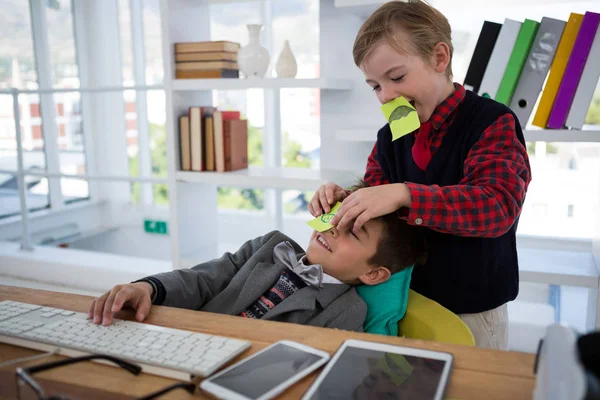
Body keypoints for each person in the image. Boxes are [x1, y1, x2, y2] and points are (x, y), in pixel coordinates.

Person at [309, 0, 531, 349]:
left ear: (439, 58)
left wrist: (406, 194)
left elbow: (497, 205)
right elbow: (377, 197)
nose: (386, 96)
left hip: (471, 310)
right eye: (375, 86)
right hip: (405, 301)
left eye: (396, 77)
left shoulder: (492, 122)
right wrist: (347, 199)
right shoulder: (392, 133)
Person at [89, 181, 426, 332]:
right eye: (337, 216)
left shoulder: (347, 312)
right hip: (187, 341)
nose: (334, 227)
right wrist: (148, 288)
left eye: (353, 231)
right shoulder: (269, 245)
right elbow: (203, 280)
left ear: (373, 275)